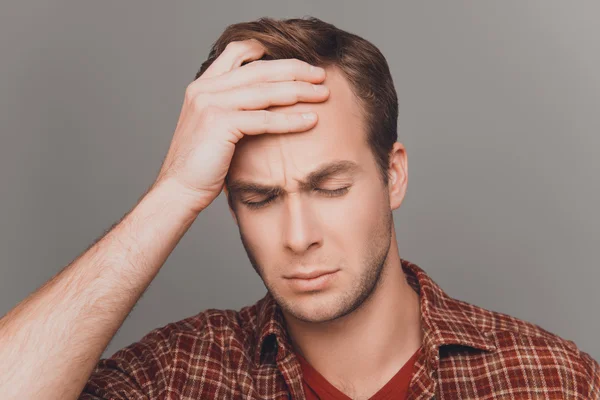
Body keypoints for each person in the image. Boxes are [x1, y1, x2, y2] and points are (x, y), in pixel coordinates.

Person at [0, 16, 597, 400]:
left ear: (393, 175)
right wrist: (174, 191)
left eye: (330, 188)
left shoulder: (551, 380)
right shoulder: (177, 376)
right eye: (259, 199)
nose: (298, 234)